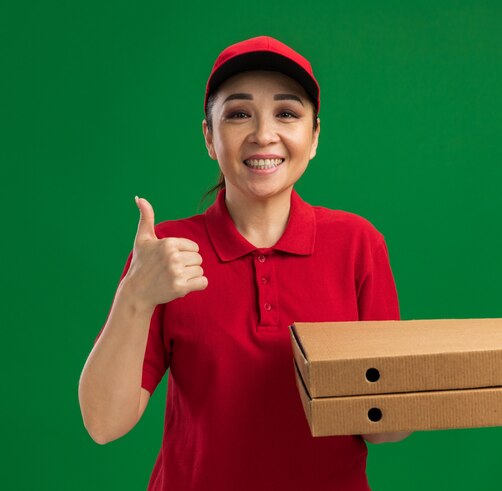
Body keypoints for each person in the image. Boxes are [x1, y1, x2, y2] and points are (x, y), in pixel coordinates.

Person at [78, 35, 412, 491]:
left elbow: (384, 428)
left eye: (287, 114)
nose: (263, 134)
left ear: (314, 137)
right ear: (209, 137)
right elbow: (104, 424)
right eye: (238, 114)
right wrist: (135, 296)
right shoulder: (166, 251)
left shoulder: (357, 244)